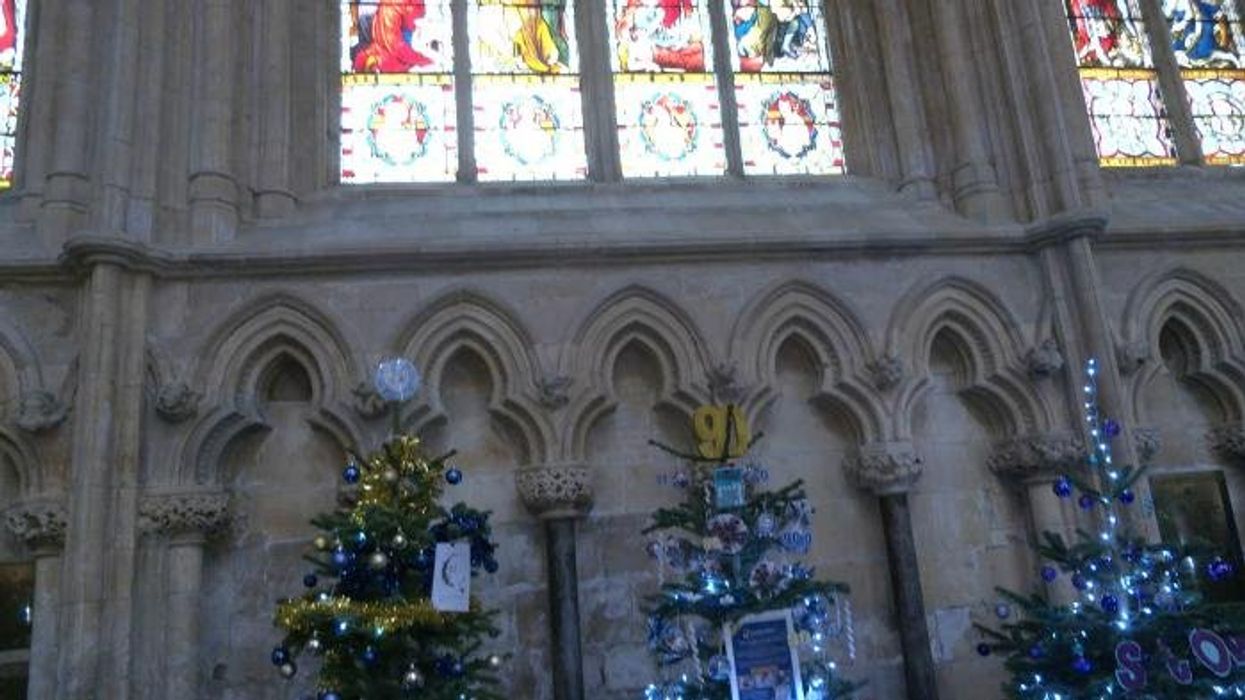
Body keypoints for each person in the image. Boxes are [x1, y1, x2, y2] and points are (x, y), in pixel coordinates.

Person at [353, 0, 437, 73]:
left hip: (405, 45)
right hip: (393, 46)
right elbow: (394, 45)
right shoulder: (391, 7)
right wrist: (425, 60)